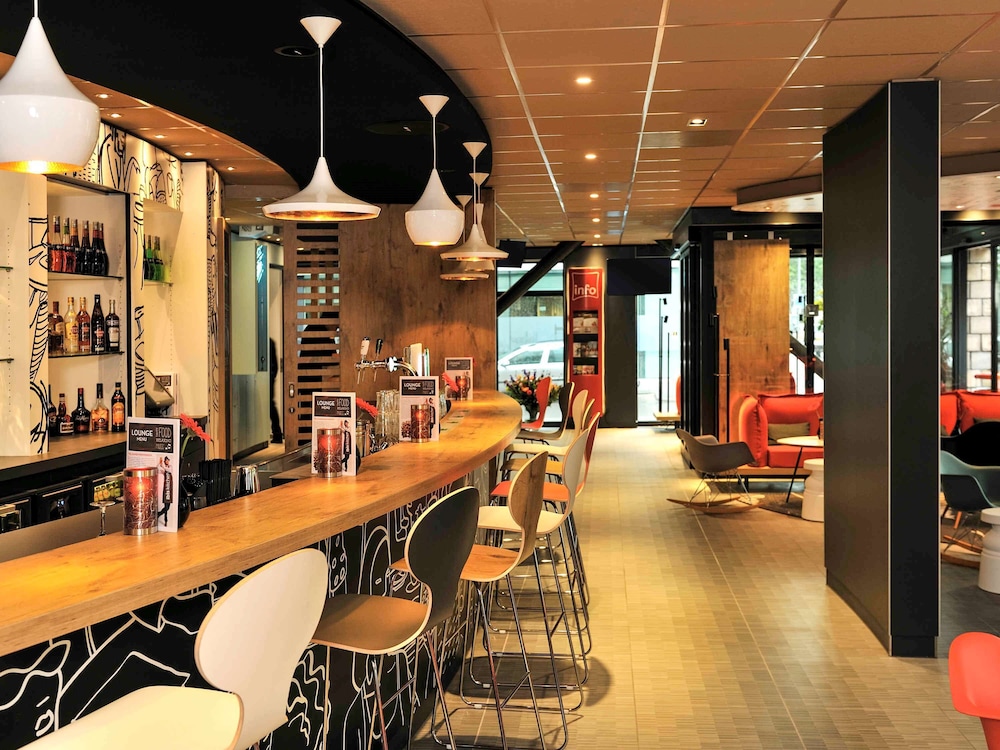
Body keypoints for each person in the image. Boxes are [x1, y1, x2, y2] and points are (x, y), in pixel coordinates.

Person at [269, 337, 283, 444]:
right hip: (269, 378)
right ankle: (277, 433)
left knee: (270, 406)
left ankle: (277, 434)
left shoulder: (268, 342)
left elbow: (274, 365)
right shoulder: (270, 342)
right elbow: (275, 366)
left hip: (268, 379)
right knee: (271, 406)